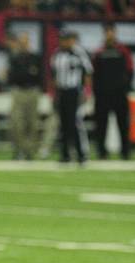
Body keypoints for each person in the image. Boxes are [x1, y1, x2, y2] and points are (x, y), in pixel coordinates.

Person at [50, 30, 92, 164]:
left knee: (74, 123)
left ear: (72, 40)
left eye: (66, 39)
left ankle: (81, 154)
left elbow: (88, 72)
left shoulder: (79, 52)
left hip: (74, 91)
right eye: (62, 39)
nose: (64, 42)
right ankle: (65, 155)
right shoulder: (57, 53)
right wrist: (54, 93)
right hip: (61, 91)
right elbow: (53, 74)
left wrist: (87, 91)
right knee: (63, 124)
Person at [93, 22, 133, 160]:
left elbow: (130, 70)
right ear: (104, 34)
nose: (109, 34)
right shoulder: (99, 51)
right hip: (102, 94)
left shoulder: (123, 50)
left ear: (115, 33)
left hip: (119, 93)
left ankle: (125, 152)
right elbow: (94, 73)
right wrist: (96, 91)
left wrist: (125, 87)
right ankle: (102, 153)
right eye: (107, 31)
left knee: (123, 123)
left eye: (111, 31)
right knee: (101, 124)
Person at [8, 32, 42, 160]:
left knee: (32, 123)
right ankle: (19, 149)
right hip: (18, 91)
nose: (23, 44)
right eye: (21, 42)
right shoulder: (14, 58)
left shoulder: (35, 57)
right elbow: (10, 77)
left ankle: (29, 151)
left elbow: (40, 76)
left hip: (32, 91)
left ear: (29, 43)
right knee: (17, 122)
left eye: (25, 42)